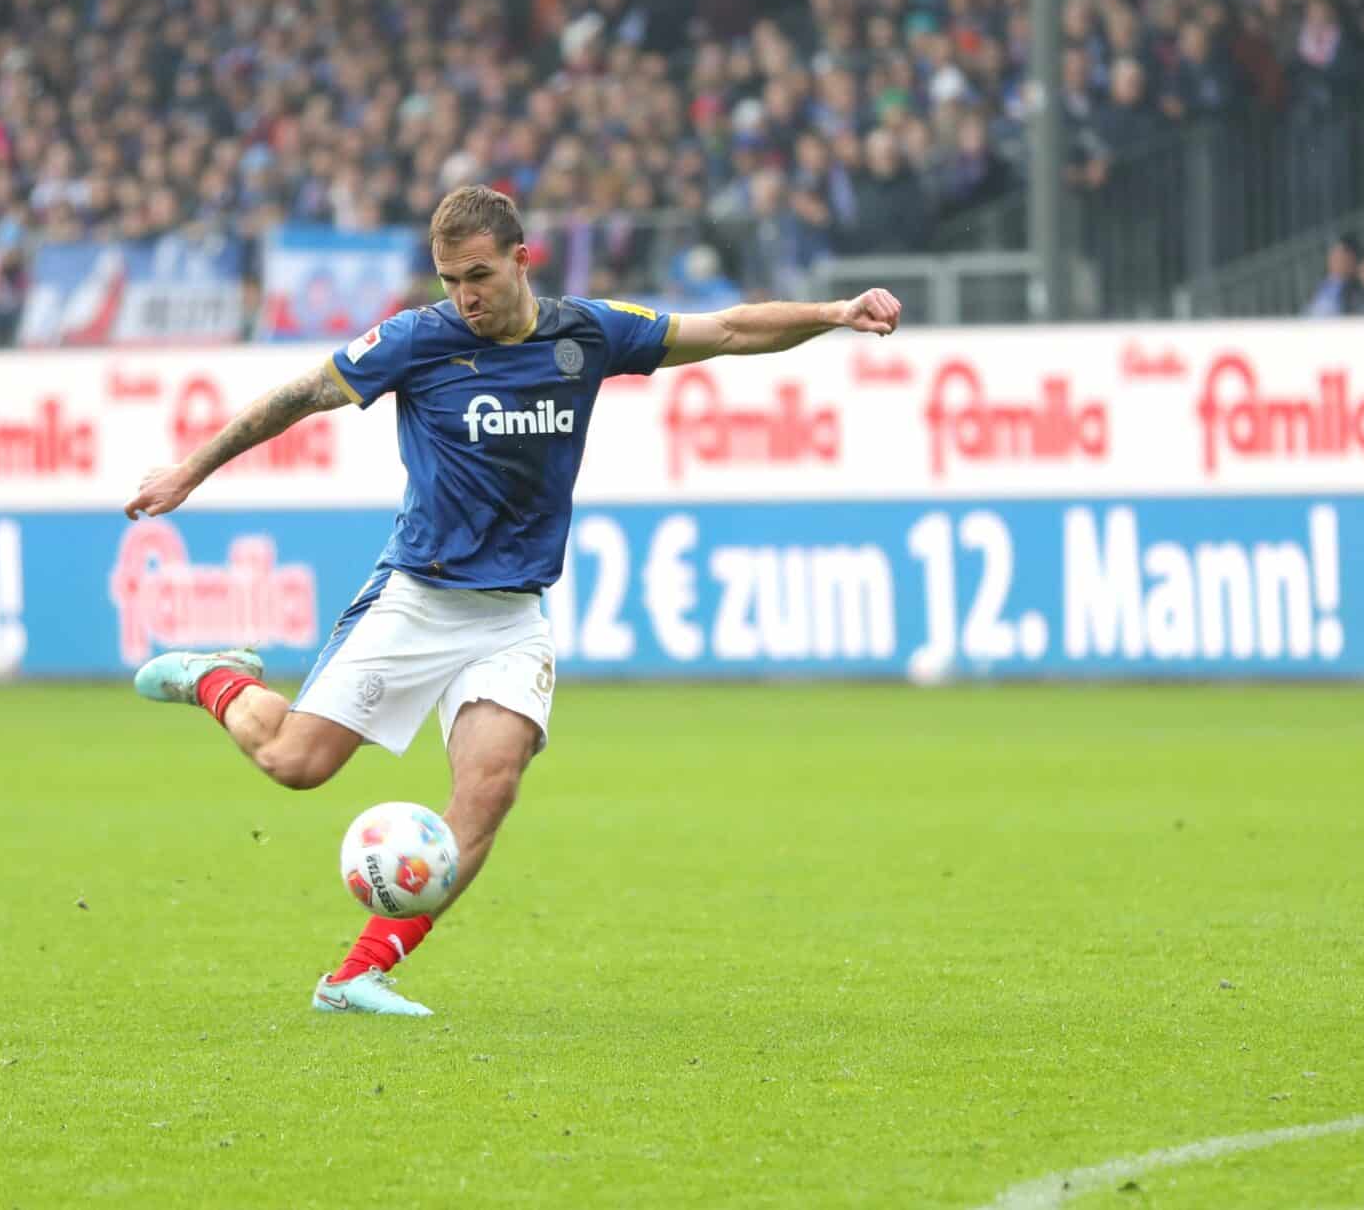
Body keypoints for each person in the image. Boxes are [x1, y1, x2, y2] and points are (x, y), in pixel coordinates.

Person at [121, 186, 902, 1017]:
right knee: (294, 764)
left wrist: (834, 312)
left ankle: (353, 978)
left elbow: (732, 330)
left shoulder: (587, 333)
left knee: (488, 792)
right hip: (418, 598)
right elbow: (298, 397)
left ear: (521, 260)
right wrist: (189, 471)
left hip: (510, 618)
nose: (465, 297)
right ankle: (217, 676)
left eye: (479, 276)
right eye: (450, 280)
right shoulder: (418, 340)